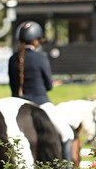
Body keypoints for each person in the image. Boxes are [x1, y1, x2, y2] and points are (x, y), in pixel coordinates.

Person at [6, 21, 75, 161]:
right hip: (40, 103)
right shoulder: (40, 57)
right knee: (67, 134)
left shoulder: (12, 59)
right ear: (36, 40)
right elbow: (48, 85)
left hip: (17, 105)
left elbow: (13, 86)